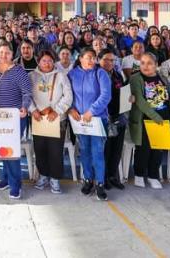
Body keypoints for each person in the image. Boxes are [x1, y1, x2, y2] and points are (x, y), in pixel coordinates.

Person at [0, 41, 32, 200]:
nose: (4, 55)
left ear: (12, 54)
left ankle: (15, 184)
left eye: (7, 53)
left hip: (15, 118)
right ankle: (6, 178)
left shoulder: (19, 71)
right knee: (3, 149)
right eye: (1, 52)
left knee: (10, 151)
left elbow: (27, 92)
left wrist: (24, 107)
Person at [129, 52, 170, 189]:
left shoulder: (162, 77)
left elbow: (169, 98)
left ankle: (153, 175)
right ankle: (139, 174)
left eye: (149, 63)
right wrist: (155, 117)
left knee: (158, 150)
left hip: (163, 119)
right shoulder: (136, 78)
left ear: (156, 65)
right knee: (143, 149)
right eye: (142, 62)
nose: (145, 66)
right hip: (145, 120)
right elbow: (139, 100)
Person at [68, 48, 112, 201]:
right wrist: (71, 108)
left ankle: (99, 183)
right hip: (79, 121)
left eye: (94, 58)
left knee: (98, 152)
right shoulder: (72, 74)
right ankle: (88, 180)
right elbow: (67, 94)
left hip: (97, 119)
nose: (92, 61)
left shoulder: (101, 73)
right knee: (85, 151)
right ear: (80, 58)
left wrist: (91, 111)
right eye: (89, 58)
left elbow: (106, 95)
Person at [29, 51, 72, 194]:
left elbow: (68, 96)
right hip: (38, 118)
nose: (46, 63)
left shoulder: (61, 76)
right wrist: (33, 110)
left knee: (55, 150)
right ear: (38, 62)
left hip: (57, 119)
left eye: (49, 60)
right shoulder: (31, 76)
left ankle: (55, 178)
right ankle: (43, 175)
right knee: (40, 149)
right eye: (43, 60)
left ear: (53, 62)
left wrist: (57, 111)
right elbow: (26, 96)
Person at [99, 50, 126, 190]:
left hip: (118, 116)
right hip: (103, 118)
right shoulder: (96, 75)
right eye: (106, 59)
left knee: (117, 149)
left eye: (112, 60)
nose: (109, 63)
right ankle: (102, 178)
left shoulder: (117, 75)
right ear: (99, 60)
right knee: (105, 149)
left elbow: (123, 91)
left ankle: (112, 176)